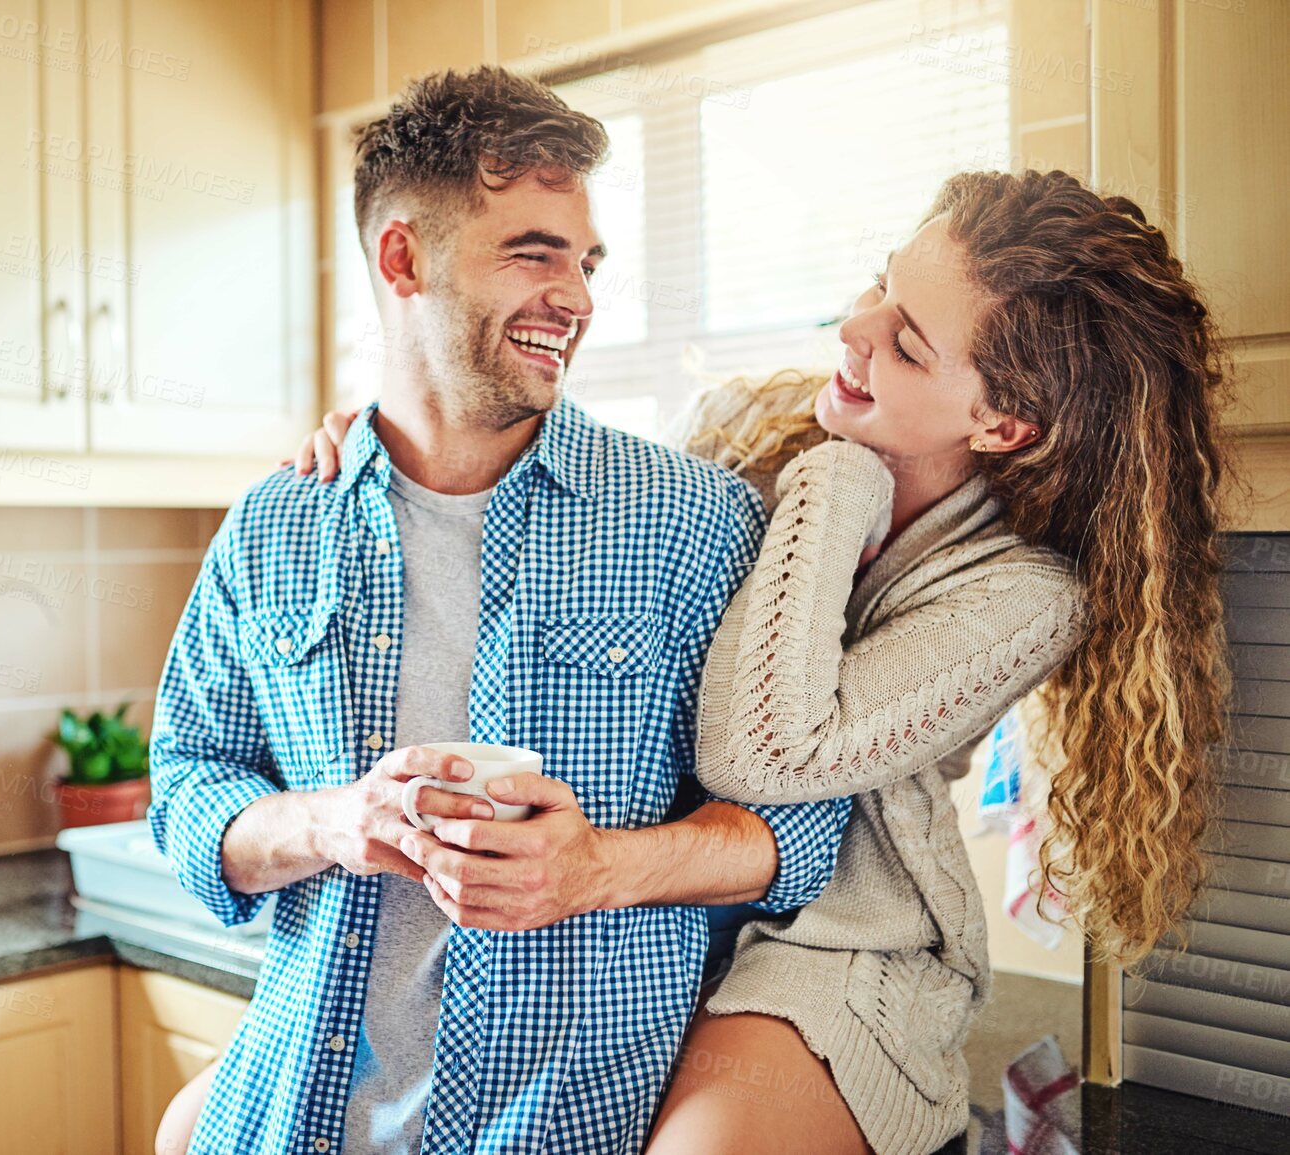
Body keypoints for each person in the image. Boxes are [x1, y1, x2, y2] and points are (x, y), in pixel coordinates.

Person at [285, 169, 1235, 1155]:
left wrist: (839, 477)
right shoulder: (738, 427)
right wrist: (410, 445)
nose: (855, 329)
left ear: (1001, 425)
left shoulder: (1023, 597)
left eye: (907, 343)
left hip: (833, 941)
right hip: (652, 897)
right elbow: (579, 532)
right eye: (881, 286)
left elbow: (762, 754)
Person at [147, 67, 852, 1155]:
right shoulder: (273, 525)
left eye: (585, 262)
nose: (576, 297)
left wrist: (596, 868)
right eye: (533, 253)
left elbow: (802, 832)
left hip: (564, 1124)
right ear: (402, 259)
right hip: (294, 1117)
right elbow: (190, 791)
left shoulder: (693, 522)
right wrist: (332, 823)